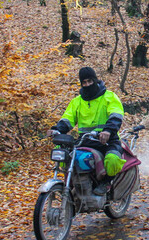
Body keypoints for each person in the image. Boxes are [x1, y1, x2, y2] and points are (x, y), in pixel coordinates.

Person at [47, 67, 126, 195]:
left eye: (90, 81)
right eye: (84, 82)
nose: (87, 84)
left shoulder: (109, 97)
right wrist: (56, 129)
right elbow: (67, 119)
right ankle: (74, 182)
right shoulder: (77, 102)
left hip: (107, 140)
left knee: (112, 159)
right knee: (62, 153)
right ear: (81, 84)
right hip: (85, 140)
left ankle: (106, 182)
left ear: (95, 80)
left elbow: (116, 115)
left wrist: (108, 131)